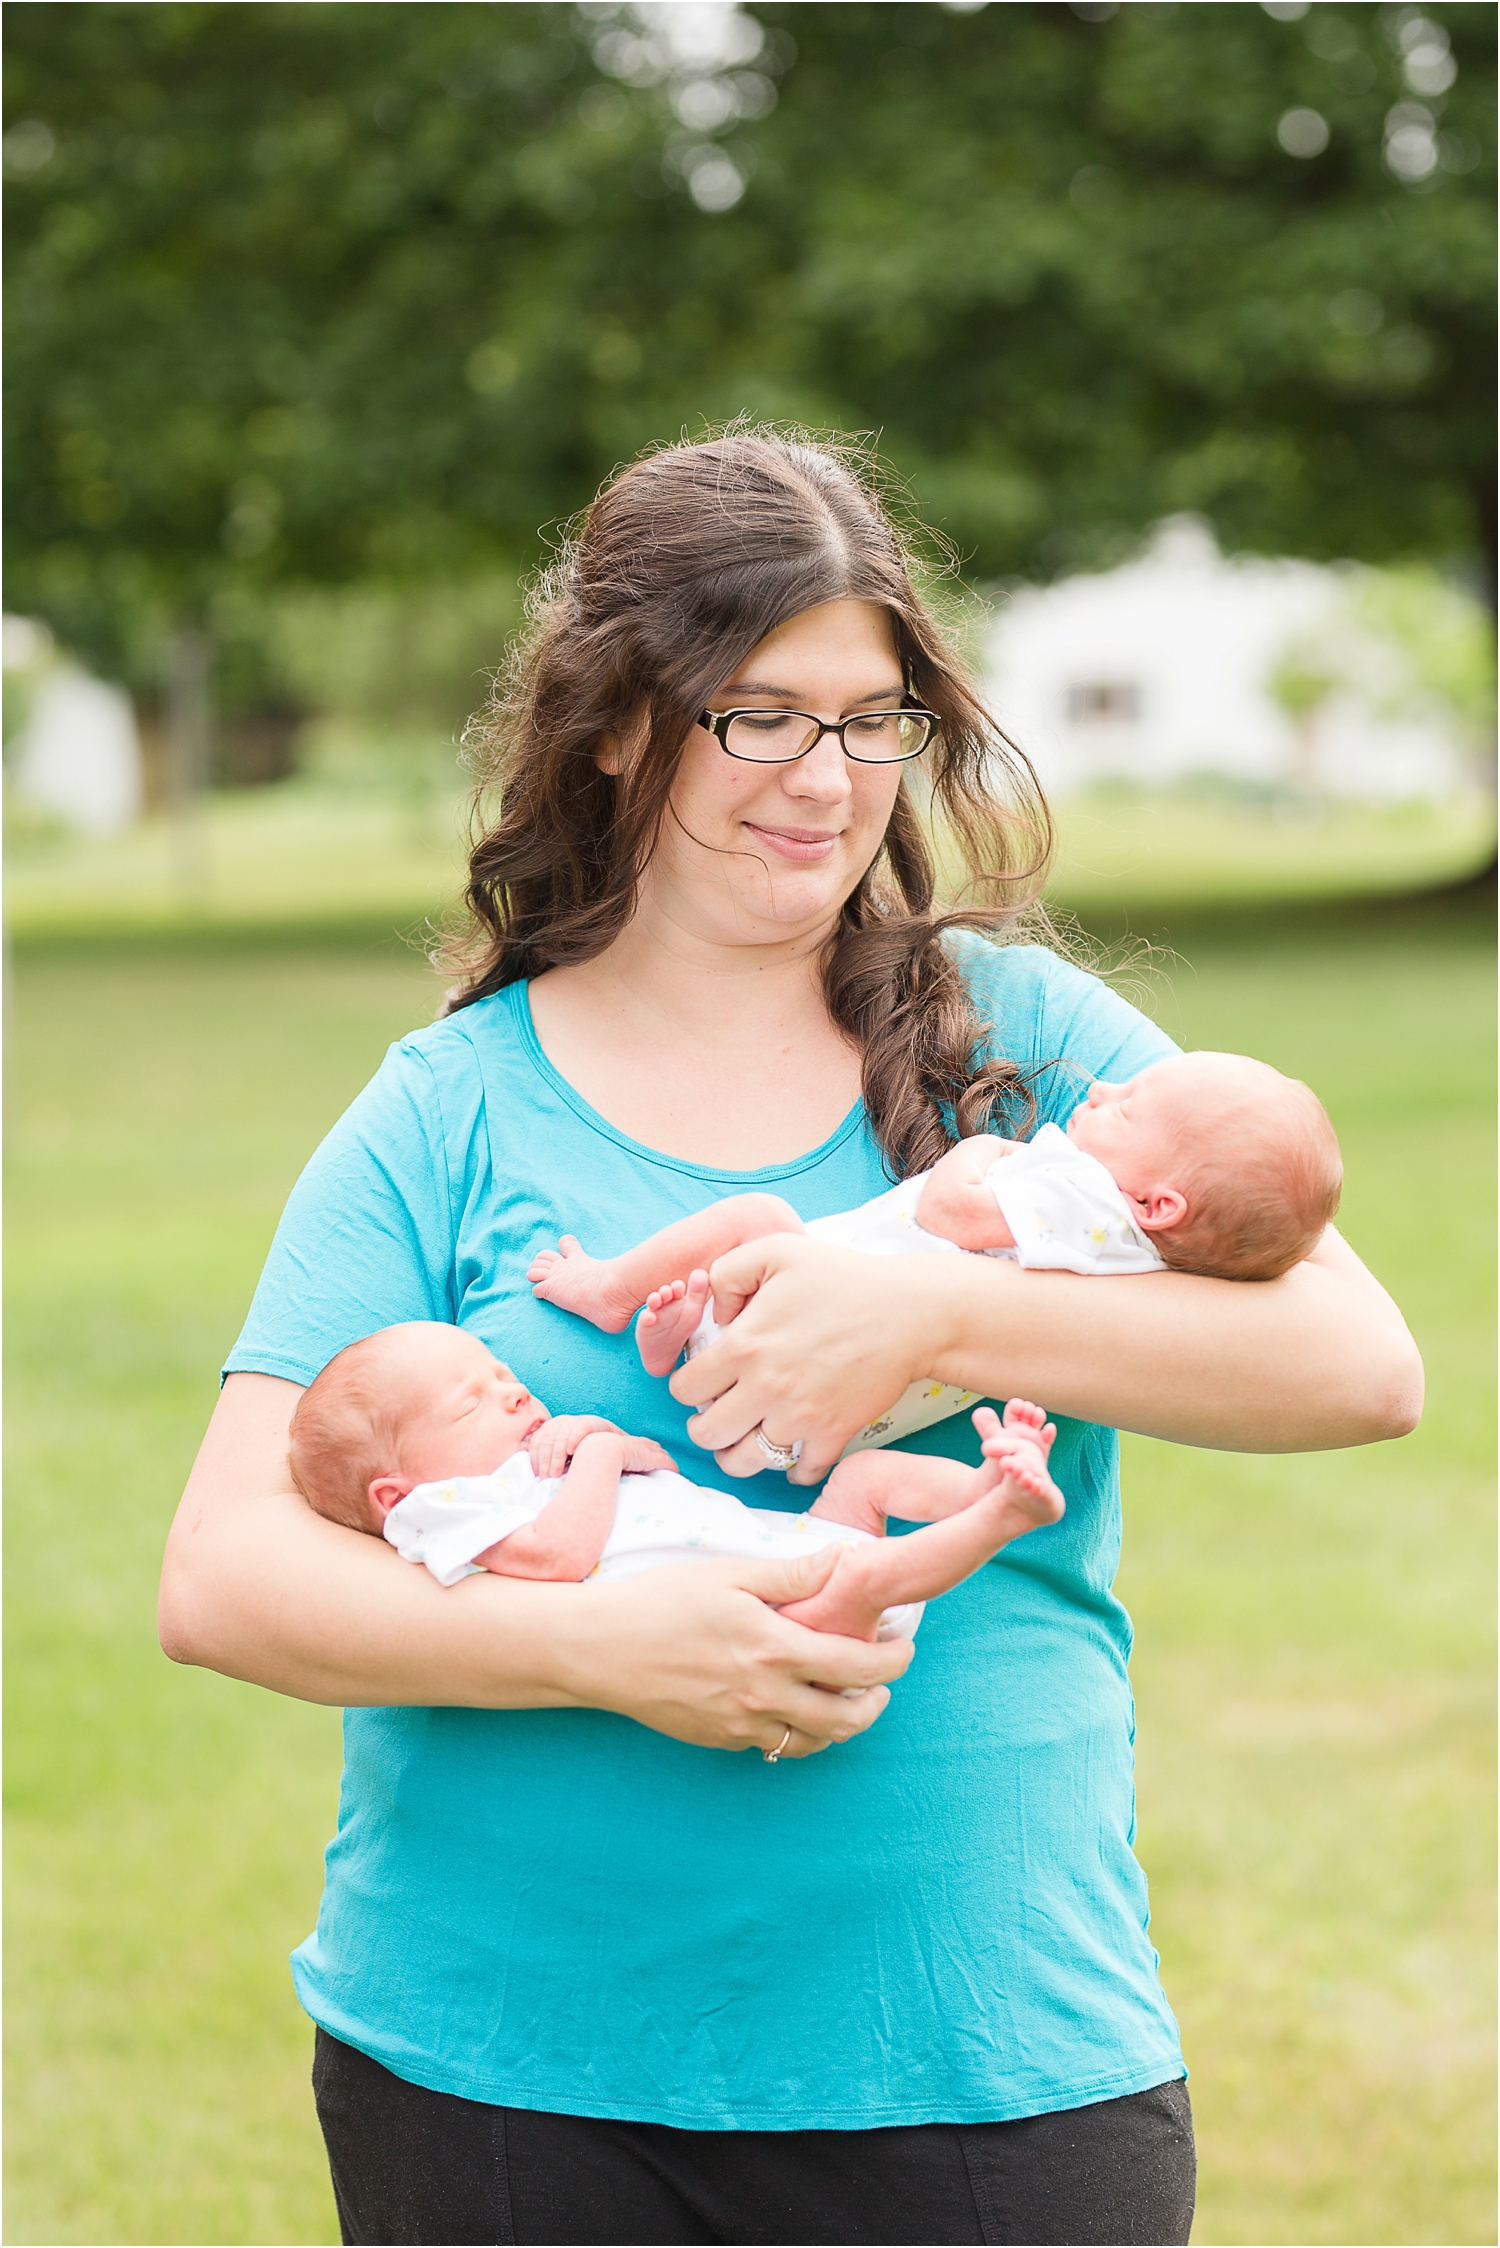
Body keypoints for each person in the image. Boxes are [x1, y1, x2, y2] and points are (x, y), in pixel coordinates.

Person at [158, 430, 1421, 2248]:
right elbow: (220, 1573)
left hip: (987, 2048)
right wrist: (601, 1644)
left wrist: (940, 1304)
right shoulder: (448, 1110)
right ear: (614, 721)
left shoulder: (1028, 1049)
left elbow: (1365, 1367)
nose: (824, 779)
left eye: (870, 717)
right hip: (507, 2067)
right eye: (756, 714)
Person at [527, 1049, 1343, 1454]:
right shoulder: (1146, 1263)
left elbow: (953, 1211)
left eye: (1126, 1110)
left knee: (758, 1217)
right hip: (838, 1425)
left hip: (814, 1312)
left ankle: (611, 1287)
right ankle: (687, 1333)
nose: (1099, 1091)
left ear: (1160, 1202)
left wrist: (983, 1152)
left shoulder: (1085, 1201)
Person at [285, 1318, 1064, 1649]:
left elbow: (653, 1464)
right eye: (472, 1402)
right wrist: (596, 1454)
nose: (515, 1395)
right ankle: (998, 1518)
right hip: (775, 1610)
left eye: (505, 1375)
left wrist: (607, 1441)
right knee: (863, 1572)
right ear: (395, 1492)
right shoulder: (446, 1513)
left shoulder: (538, 1461)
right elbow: (556, 1558)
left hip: (778, 1545)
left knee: (865, 1478)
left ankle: (984, 1486)